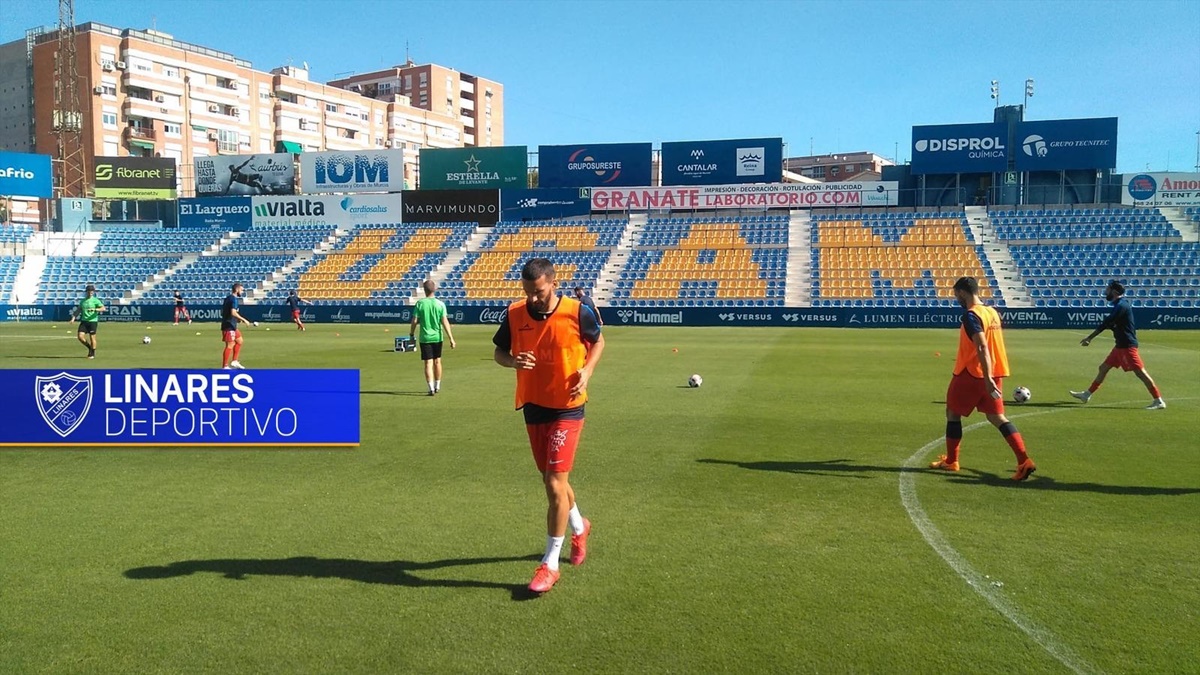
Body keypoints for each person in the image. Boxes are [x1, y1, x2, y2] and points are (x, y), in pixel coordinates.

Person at [493, 258, 605, 593]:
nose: (532, 298)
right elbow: (499, 352)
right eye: (527, 292)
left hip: (568, 406)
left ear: (553, 283)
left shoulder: (577, 311)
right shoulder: (515, 313)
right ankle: (579, 525)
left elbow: (599, 341)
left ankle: (550, 563)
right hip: (533, 404)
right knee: (551, 479)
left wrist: (587, 372)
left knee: (555, 483)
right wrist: (514, 360)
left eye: (538, 292)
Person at [930, 277, 1037, 481]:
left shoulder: (971, 316)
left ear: (962, 292)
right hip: (995, 372)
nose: (956, 299)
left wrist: (986, 377)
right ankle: (1024, 461)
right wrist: (990, 377)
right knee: (997, 417)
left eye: (956, 295)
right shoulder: (992, 312)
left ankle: (952, 461)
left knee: (952, 413)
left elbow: (981, 346)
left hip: (973, 373)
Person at [1070, 280, 1165, 410]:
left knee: (1140, 373)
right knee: (1103, 368)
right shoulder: (1119, 305)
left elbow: (1107, 322)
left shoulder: (1122, 306)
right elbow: (1110, 323)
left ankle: (1158, 400)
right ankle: (1087, 394)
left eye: (1107, 289)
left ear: (1114, 291)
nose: (1105, 292)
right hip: (1120, 346)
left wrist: (1090, 338)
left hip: (1127, 346)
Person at [409, 280, 456, 395]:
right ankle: (437, 385)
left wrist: (411, 334)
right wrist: (451, 338)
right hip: (437, 337)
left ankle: (430, 388)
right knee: (437, 361)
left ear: (424, 290)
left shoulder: (420, 304)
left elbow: (414, 321)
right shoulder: (440, 304)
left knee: (428, 363)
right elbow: (445, 322)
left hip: (425, 337)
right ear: (434, 289)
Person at [221, 283, 256, 369]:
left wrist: (237, 319)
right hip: (229, 325)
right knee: (230, 345)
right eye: (241, 290)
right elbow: (233, 312)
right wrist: (244, 319)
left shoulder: (228, 298)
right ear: (237, 290)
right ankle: (225, 366)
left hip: (231, 324)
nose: (242, 291)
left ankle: (234, 361)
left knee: (240, 341)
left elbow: (226, 312)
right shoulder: (234, 300)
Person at [69, 284, 106, 359]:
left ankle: (92, 353)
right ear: (86, 292)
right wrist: (73, 318)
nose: (90, 292)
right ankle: (89, 347)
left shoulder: (95, 300)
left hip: (92, 321)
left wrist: (95, 310)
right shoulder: (83, 301)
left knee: (92, 338)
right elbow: (78, 310)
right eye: (89, 291)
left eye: (92, 291)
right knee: (80, 337)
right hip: (84, 321)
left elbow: (103, 308)